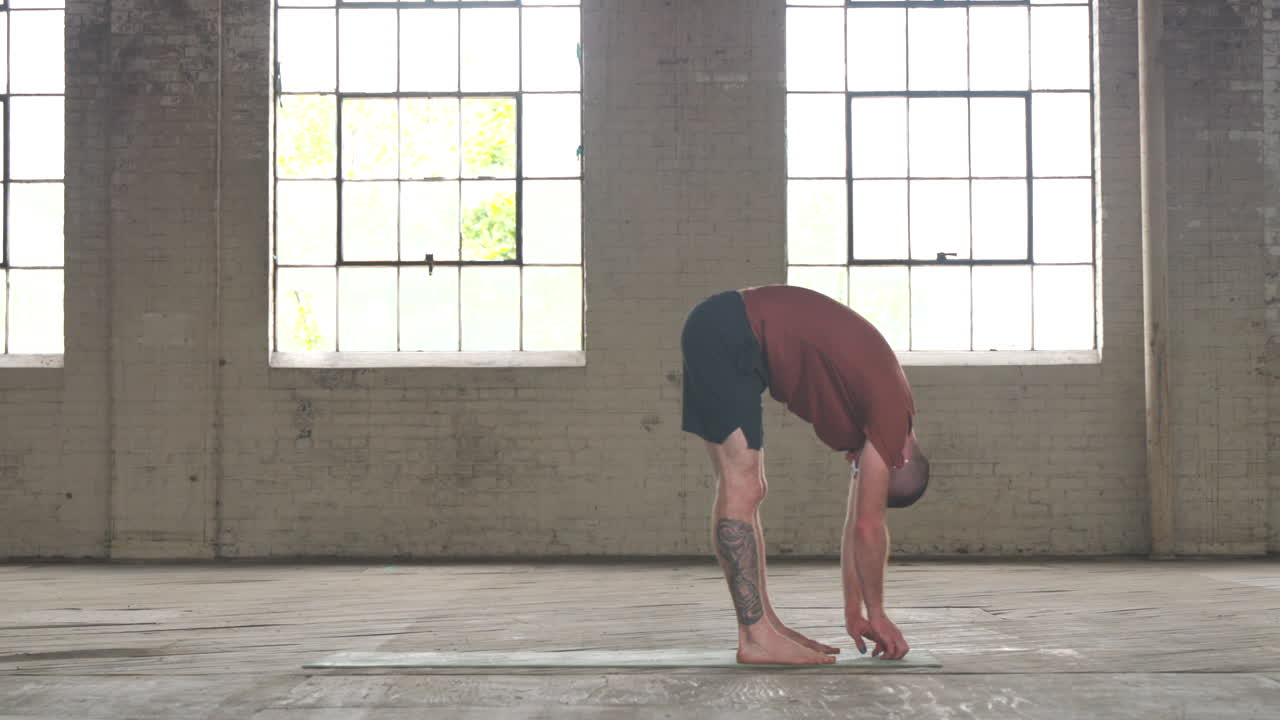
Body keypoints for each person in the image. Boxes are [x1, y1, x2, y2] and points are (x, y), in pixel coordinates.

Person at [680, 284, 930, 665]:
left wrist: (854, 611)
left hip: (727, 328)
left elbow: (853, 527)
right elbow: (867, 526)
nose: (861, 473)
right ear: (902, 460)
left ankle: (764, 627)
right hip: (732, 331)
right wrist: (878, 614)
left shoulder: (878, 421)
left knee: (749, 486)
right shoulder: (893, 424)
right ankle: (755, 638)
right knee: (742, 485)